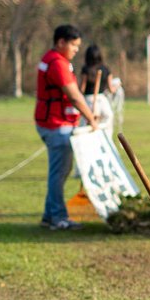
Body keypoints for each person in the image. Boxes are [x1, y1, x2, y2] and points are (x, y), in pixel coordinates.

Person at [34, 24, 99, 231]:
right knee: (59, 172)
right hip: (56, 125)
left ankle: (48, 215)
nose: (76, 50)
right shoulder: (57, 64)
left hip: (54, 123)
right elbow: (73, 95)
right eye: (73, 45)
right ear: (60, 42)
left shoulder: (54, 60)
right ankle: (58, 218)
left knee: (60, 171)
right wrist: (91, 118)